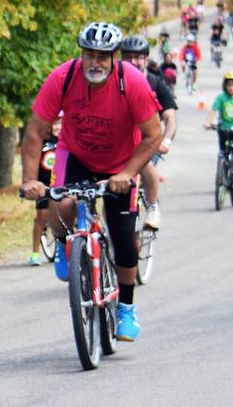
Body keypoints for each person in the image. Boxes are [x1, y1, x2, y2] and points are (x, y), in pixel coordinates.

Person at [19, 22, 162, 342]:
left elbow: (154, 135)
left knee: (124, 237)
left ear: (114, 58)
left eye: (102, 56)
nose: (94, 62)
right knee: (61, 202)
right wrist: (30, 179)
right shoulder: (63, 78)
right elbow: (33, 132)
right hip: (77, 156)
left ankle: (126, 307)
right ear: (81, 54)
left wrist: (128, 173)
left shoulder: (132, 82)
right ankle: (63, 245)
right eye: (89, 55)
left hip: (121, 165)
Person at [120, 34, 177, 230]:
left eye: (138, 57)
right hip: (120, 142)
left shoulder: (155, 83)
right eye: (128, 57)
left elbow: (170, 117)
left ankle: (153, 208)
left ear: (146, 59)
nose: (133, 62)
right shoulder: (114, 82)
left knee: (144, 166)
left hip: (147, 142)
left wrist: (166, 141)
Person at [29, 114, 61, 266]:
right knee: (41, 216)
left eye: (59, 124)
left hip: (60, 184)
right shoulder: (42, 142)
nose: (56, 127)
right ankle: (35, 253)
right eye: (54, 124)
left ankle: (65, 248)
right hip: (43, 185)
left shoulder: (64, 142)